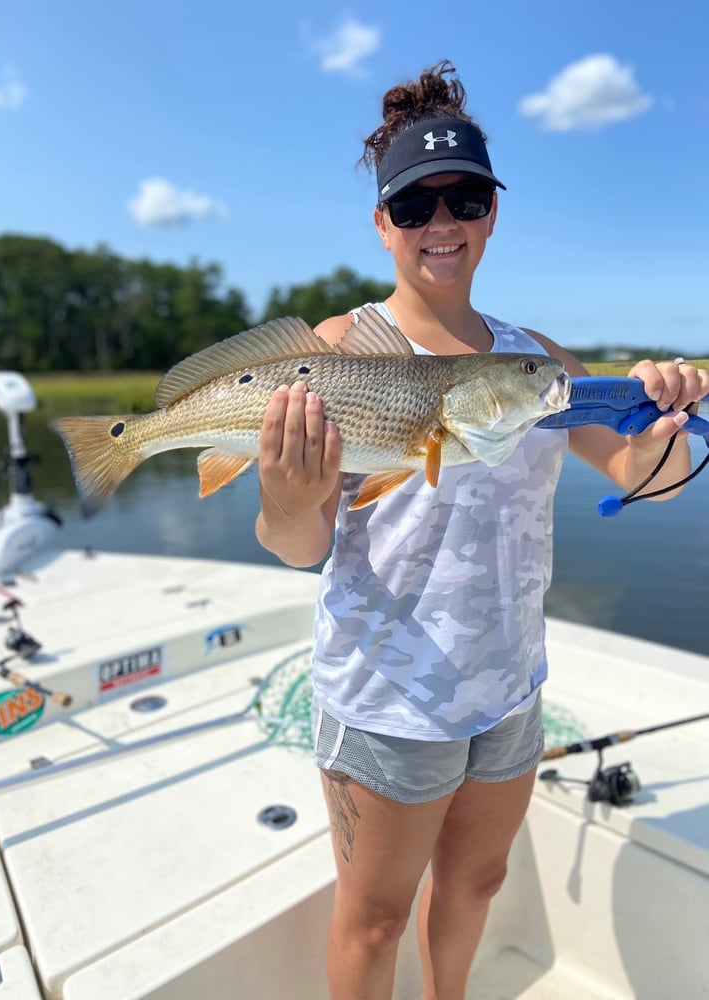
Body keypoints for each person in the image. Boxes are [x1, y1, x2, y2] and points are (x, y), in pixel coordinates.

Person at [255, 60, 708, 1000]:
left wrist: (668, 418)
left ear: (493, 212)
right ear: (383, 224)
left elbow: (644, 480)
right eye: (415, 206)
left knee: (481, 879)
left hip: (509, 685)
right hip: (386, 698)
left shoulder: (539, 363)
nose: (442, 223)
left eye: (463, 198)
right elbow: (297, 545)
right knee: (375, 917)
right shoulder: (334, 352)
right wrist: (293, 494)